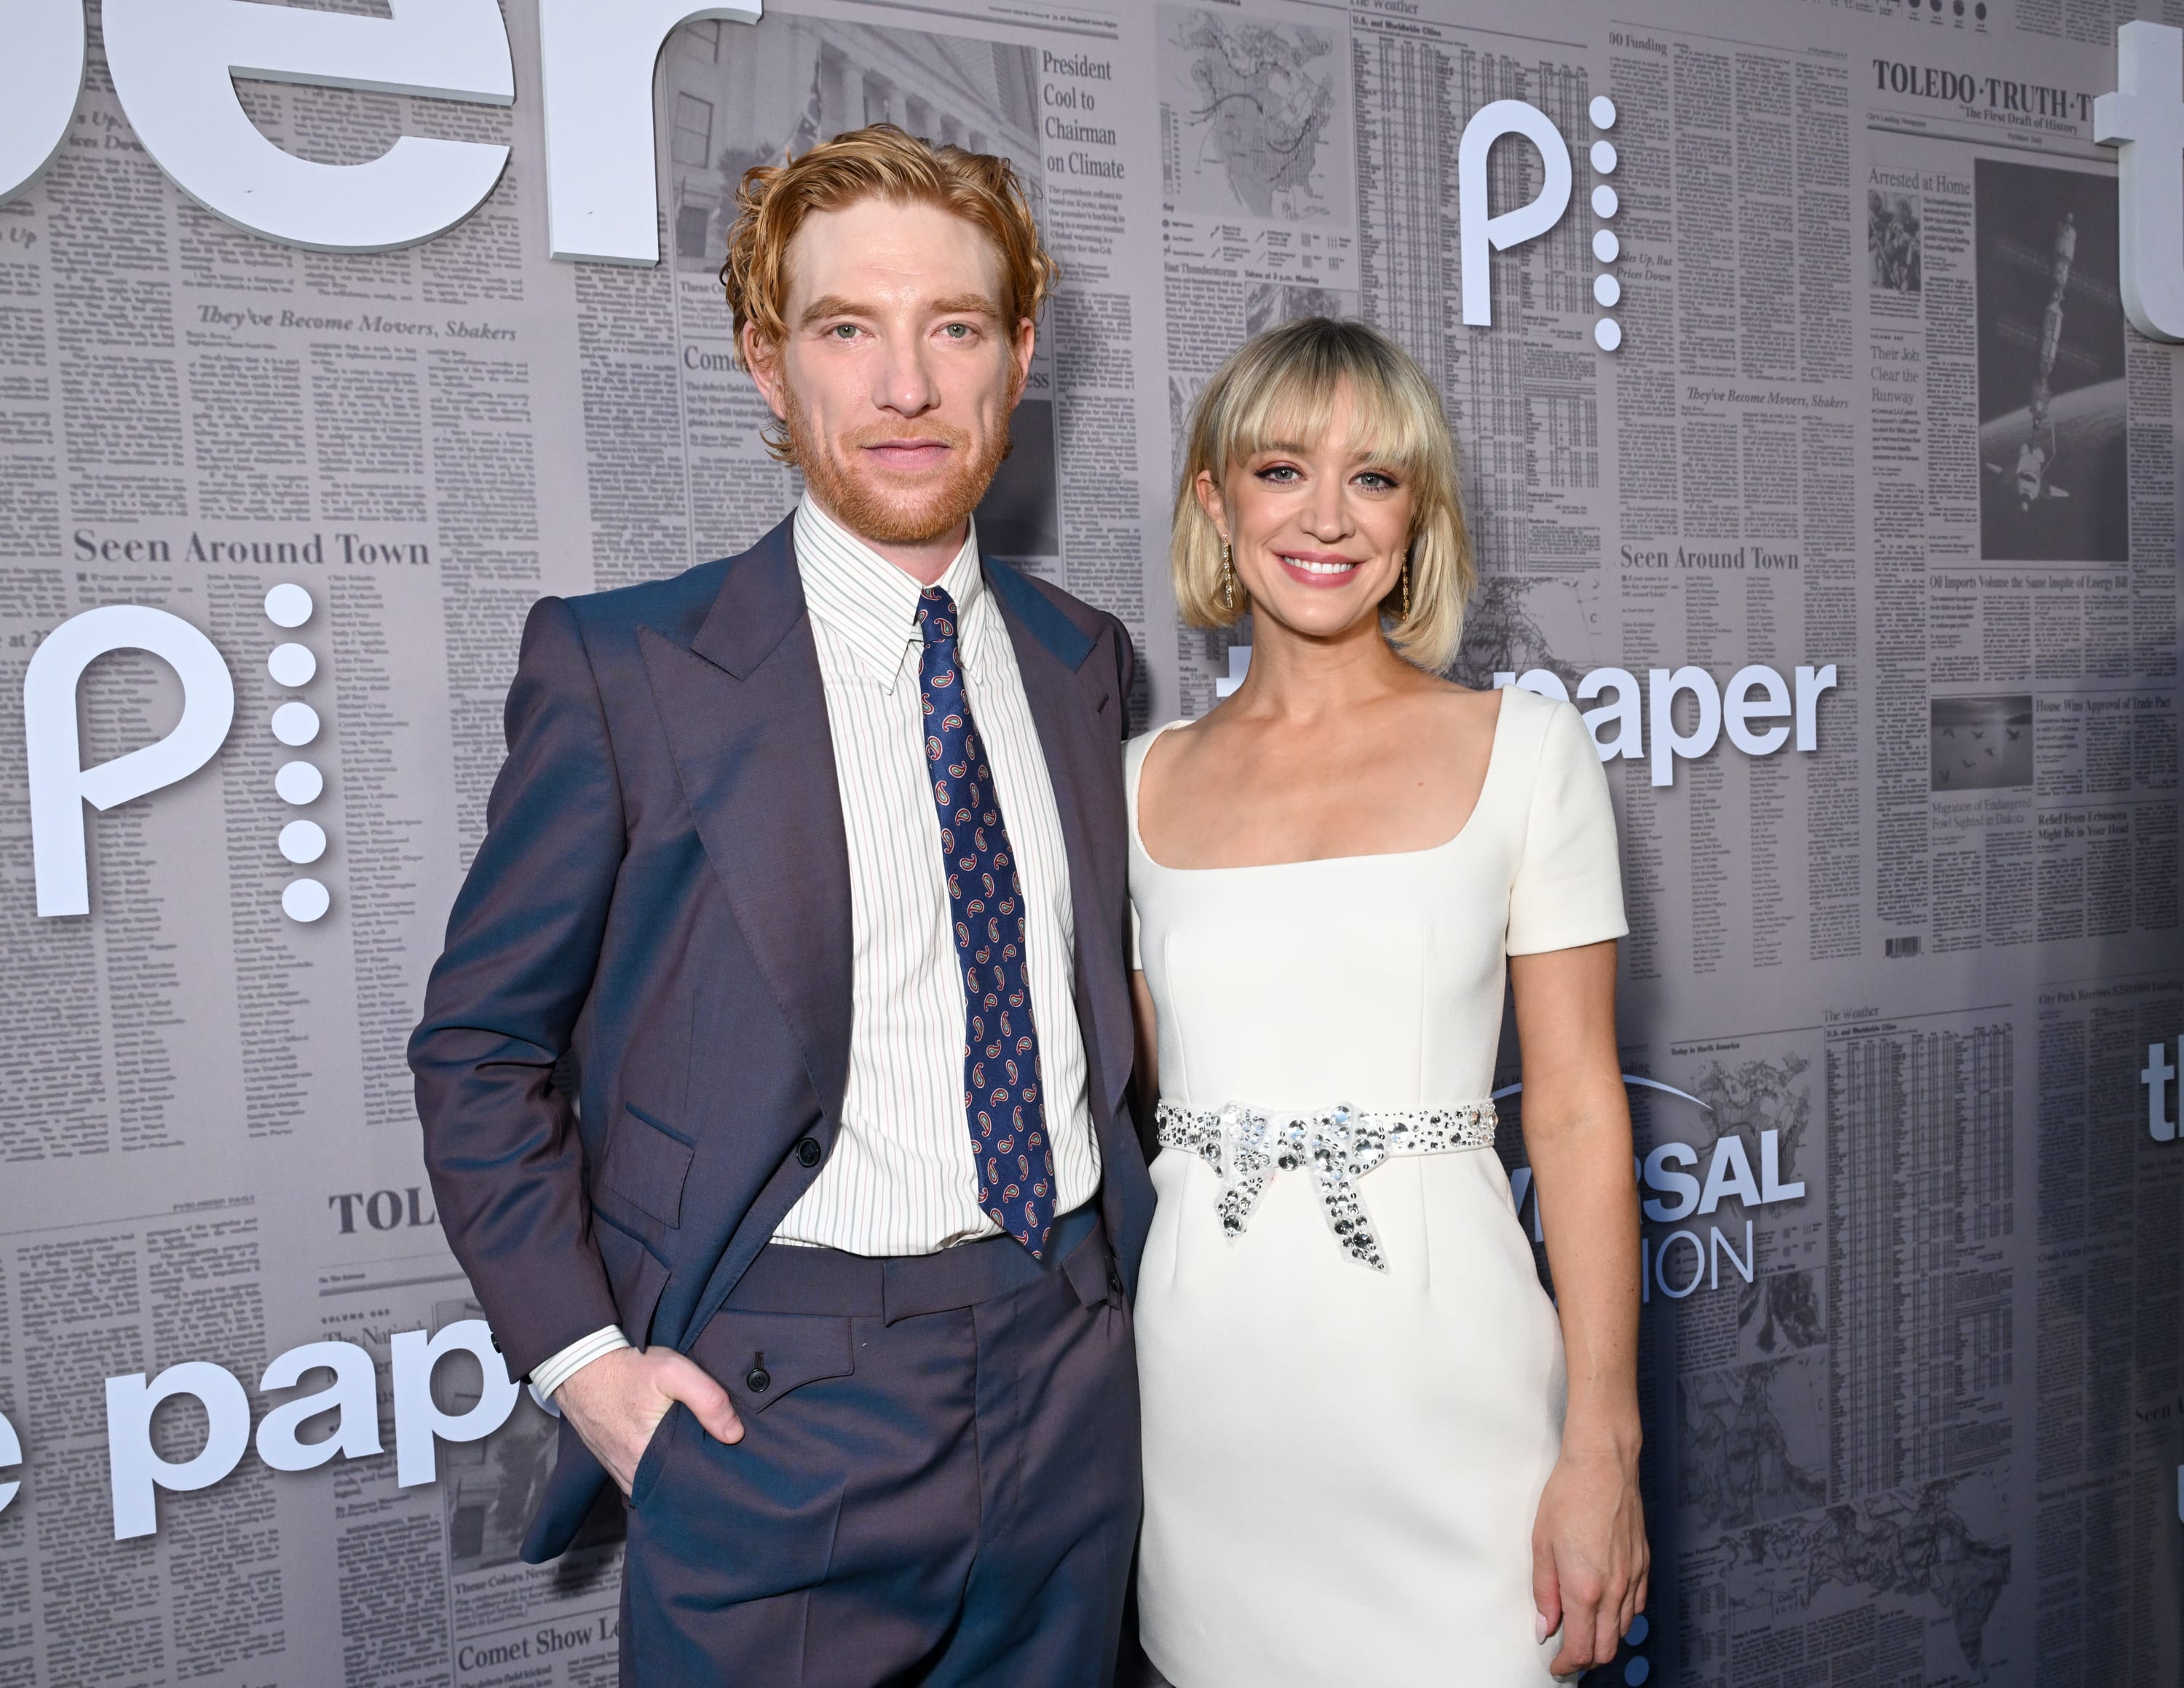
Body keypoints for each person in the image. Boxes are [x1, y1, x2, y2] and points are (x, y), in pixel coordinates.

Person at [408, 125, 1150, 1685]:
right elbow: (481, 1047)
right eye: (846, 329)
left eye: (955, 327)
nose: (907, 385)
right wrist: (587, 1366)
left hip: (1076, 1367)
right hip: (781, 1405)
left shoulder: (1083, 659)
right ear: (768, 362)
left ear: (1020, 355)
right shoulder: (625, 669)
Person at [1126, 317, 1647, 1684]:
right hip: (1211, 1420)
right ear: (1214, 500)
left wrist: (1603, 1440)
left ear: (1417, 519)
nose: (1326, 516)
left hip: (1454, 1408)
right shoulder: (1132, 781)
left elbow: (1578, 1111)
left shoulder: (1527, 751)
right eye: (1281, 469)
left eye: (1374, 478)